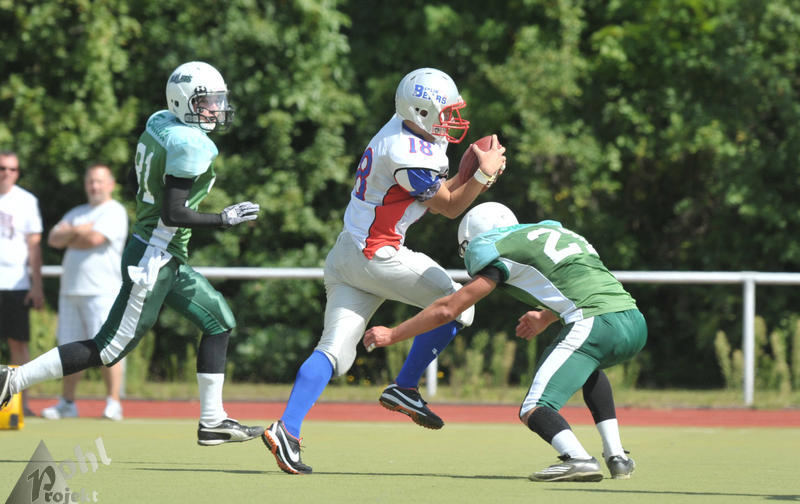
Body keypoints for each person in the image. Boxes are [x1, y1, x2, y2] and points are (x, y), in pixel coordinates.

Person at [0, 61, 264, 445]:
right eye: (206, 101)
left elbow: (133, 177)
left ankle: (212, 421)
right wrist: (223, 219)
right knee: (108, 349)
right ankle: (12, 379)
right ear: (183, 102)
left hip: (165, 255)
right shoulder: (190, 143)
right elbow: (174, 213)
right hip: (154, 257)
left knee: (218, 321)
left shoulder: (160, 122)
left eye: (217, 100)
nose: (215, 109)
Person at [261, 67, 507, 474]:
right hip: (378, 255)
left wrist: (474, 177)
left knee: (334, 352)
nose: (451, 120)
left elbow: (438, 194)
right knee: (460, 306)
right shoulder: (405, 152)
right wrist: (482, 174)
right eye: (444, 112)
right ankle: (405, 387)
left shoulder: (405, 129)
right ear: (420, 112)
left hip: (346, 255)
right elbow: (448, 208)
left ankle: (286, 429)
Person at [363, 202, 647, 482]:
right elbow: (586, 284)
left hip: (595, 324)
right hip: (634, 320)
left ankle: (578, 458)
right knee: (589, 368)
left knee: (534, 407)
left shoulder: (498, 248)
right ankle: (617, 457)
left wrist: (393, 334)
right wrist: (547, 316)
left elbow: (449, 309)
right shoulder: (554, 233)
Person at [42, 164, 129, 421]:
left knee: (107, 347)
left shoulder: (114, 211)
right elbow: (53, 240)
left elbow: (94, 240)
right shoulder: (77, 212)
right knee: (69, 349)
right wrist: (79, 230)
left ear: (111, 184)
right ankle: (67, 403)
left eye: (99, 181)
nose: (94, 186)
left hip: (102, 291)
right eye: (90, 181)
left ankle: (113, 402)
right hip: (71, 291)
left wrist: (70, 235)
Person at [0, 150, 44, 417]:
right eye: (2, 168)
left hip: (15, 283)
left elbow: (34, 247)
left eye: (12, 169)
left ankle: (20, 404)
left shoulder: (27, 201)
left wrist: (36, 286)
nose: (6, 173)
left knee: (18, 344)